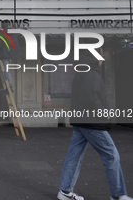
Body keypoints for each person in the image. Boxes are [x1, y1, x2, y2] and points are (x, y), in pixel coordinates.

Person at [57, 48, 132, 200]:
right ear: (97, 57)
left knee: (74, 156)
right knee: (111, 155)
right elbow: (89, 98)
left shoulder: (82, 71)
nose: (103, 59)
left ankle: (65, 191)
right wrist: (105, 113)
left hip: (81, 121)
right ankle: (118, 195)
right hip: (91, 122)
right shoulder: (92, 73)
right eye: (102, 56)